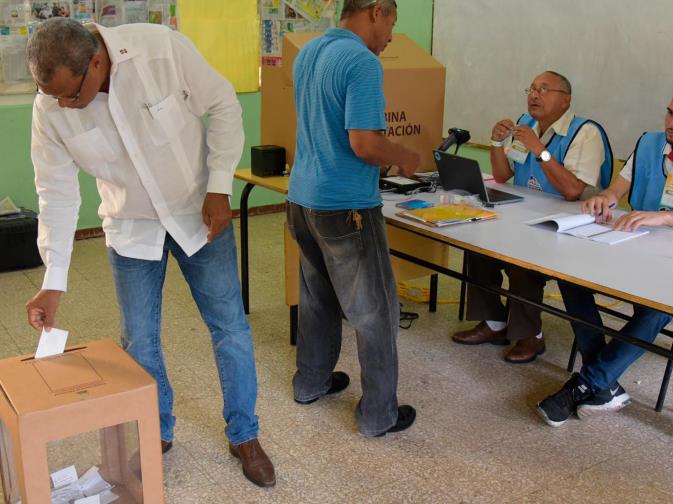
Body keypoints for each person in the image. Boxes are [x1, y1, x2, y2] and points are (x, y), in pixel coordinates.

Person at [24, 19, 275, 487]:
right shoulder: (50, 106)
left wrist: (220, 188)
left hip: (199, 213)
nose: (62, 105)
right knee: (139, 341)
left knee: (230, 327)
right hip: (131, 226)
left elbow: (223, 107)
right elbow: (55, 193)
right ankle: (155, 430)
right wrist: (52, 281)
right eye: (51, 95)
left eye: (71, 96)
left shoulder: (160, 50)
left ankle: (245, 433)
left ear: (96, 62)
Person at [537, 81, 673, 426]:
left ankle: (587, 383)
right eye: (670, 112)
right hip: (635, 244)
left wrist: (668, 217)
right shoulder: (649, 142)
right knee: (569, 275)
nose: (672, 124)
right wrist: (602, 199)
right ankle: (604, 385)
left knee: (657, 308)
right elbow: (616, 191)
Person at [288, 0, 419, 437]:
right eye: (392, 24)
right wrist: (403, 156)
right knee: (375, 312)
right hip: (346, 206)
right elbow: (364, 144)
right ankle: (378, 414)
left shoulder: (309, 52)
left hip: (302, 199)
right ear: (376, 11)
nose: (391, 36)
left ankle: (311, 381)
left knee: (317, 298)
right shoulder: (362, 62)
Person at [451, 70, 613, 363]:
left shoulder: (585, 133)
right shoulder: (526, 124)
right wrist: (496, 143)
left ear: (566, 100)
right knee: (476, 240)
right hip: (525, 212)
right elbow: (502, 175)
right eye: (532, 89)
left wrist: (541, 150)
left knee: (522, 259)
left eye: (544, 89)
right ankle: (494, 322)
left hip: (568, 223)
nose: (534, 95)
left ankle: (530, 335)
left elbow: (573, 191)